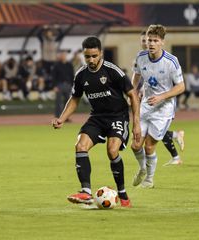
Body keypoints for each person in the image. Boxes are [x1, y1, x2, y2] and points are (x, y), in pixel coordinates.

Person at [52, 36, 141, 207]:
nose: (91, 60)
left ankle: (122, 193)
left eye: (94, 56)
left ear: (100, 53)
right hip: (97, 117)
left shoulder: (112, 70)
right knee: (80, 146)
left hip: (117, 116)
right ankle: (85, 192)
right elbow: (75, 98)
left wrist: (136, 123)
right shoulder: (81, 75)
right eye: (87, 57)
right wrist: (62, 118)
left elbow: (132, 94)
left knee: (112, 150)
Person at [131, 25, 185, 189]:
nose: (151, 44)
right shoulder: (141, 57)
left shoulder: (171, 61)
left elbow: (181, 87)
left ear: (162, 42)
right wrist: (132, 94)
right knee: (135, 145)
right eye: (149, 40)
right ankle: (142, 169)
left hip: (164, 110)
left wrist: (162, 96)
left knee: (149, 146)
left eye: (155, 40)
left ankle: (149, 179)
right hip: (146, 105)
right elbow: (135, 78)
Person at [51, 50, 75, 117]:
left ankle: (66, 117)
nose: (63, 56)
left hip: (68, 85)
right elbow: (53, 76)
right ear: (60, 56)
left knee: (67, 102)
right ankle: (57, 116)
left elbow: (72, 76)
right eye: (62, 55)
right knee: (58, 102)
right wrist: (54, 86)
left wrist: (73, 85)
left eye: (64, 55)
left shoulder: (69, 65)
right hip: (59, 85)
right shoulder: (56, 65)